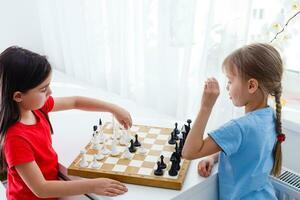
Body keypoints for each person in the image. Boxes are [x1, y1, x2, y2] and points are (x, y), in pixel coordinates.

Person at [0, 46, 132, 199]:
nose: (50, 92)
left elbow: (75, 102)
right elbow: (41, 188)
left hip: (53, 188)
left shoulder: (36, 108)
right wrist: (93, 185)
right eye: (43, 89)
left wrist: (113, 108)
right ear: (18, 96)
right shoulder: (15, 139)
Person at [182, 43, 284, 199]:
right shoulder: (270, 117)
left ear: (251, 85)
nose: (227, 86)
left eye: (230, 80)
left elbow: (189, 152)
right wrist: (213, 157)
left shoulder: (239, 128)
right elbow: (247, 151)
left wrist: (206, 106)